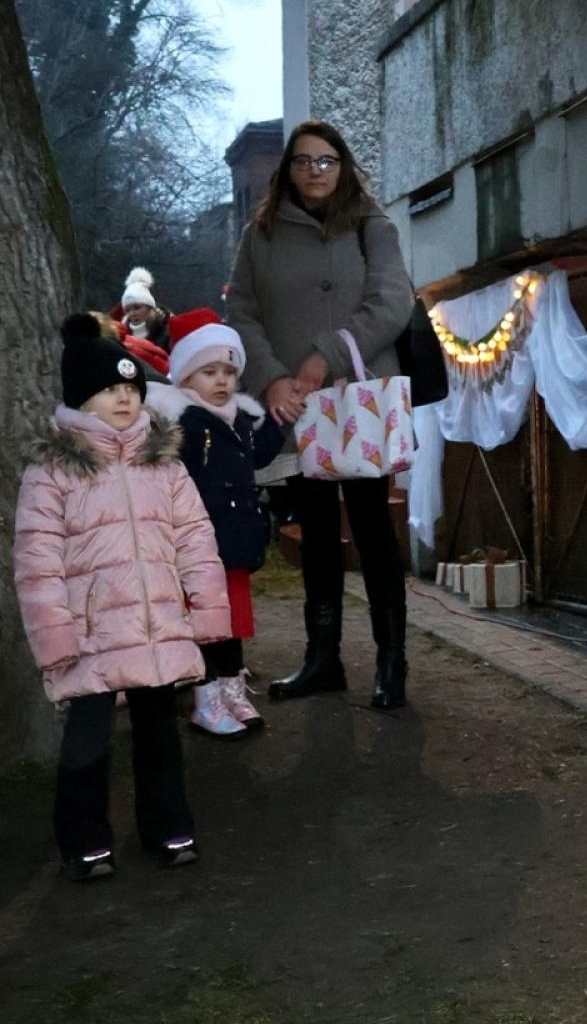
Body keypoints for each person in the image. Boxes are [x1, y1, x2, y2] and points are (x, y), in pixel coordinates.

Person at [13, 315, 230, 880]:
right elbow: (37, 563)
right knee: (87, 745)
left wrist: (207, 613)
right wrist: (56, 637)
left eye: (132, 390)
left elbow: (196, 540)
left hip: (157, 629)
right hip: (92, 636)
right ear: (82, 397)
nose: (124, 400)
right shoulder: (54, 470)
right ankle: (84, 842)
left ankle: (168, 828)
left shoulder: (163, 462)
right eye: (111, 390)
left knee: (160, 737)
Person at [228, 120, 414, 710]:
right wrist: (275, 377)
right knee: (315, 531)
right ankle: (322, 657)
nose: (315, 171)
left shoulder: (371, 224)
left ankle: (391, 661)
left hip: (356, 395)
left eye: (326, 160)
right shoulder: (260, 234)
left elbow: (394, 301)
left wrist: (323, 357)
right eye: (303, 161)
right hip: (293, 403)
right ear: (288, 169)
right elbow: (244, 312)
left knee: (371, 527)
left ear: (343, 165)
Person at [146, 312, 284, 738]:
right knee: (205, 626)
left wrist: (280, 421)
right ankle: (205, 700)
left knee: (233, 623)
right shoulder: (182, 423)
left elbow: (258, 457)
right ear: (187, 376)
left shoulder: (237, 419)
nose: (222, 381)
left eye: (229, 372)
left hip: (236, 542)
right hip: (199, 547)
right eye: (209, 371)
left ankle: (231, 690)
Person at [118, 266, 170, 351]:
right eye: (127, 310)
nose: (132, 313)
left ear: (150, 307)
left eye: (137, 307)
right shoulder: (120, 335)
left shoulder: (165, 330)